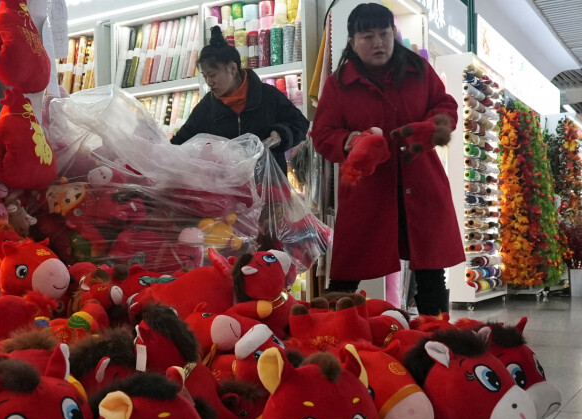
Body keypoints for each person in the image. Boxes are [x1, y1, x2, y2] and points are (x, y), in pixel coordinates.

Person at [312, 3, 464, 316]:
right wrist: (354, 142)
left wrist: (433, 127)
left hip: (421, 184)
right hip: (368, 190)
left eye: (385, 33)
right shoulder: (338, 84)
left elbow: (445, 105)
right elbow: (323, 134)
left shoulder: (418, 70)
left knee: (431, 269)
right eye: (368, 36)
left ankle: (433, 338)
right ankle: (325, 332)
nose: (379, 42)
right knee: (346, 271)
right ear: (352, 42)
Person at [171, 26, 309, 176]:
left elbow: (300, 123)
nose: (209, 82)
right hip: (226, 193)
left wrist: (280, 134)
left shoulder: (268, 96)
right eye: (205, 77)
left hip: (269, 189)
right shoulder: (207, 107)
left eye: (212, 75)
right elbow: (180, 143)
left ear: (232, 68)